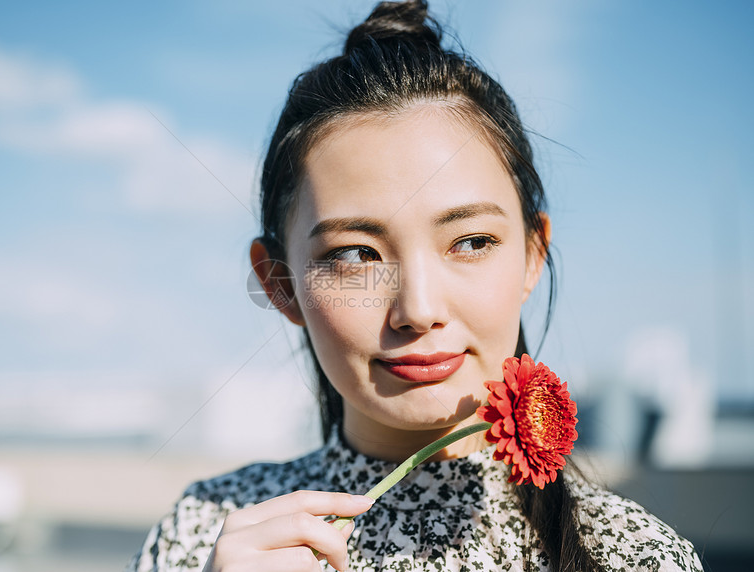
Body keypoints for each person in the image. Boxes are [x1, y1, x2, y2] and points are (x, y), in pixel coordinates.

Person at [127, 1, 703, 570]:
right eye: (356, 254)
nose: (419, 310)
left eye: (472, 242)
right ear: (280, 284)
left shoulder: (635, 556)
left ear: (532, 256)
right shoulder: (202, 535)